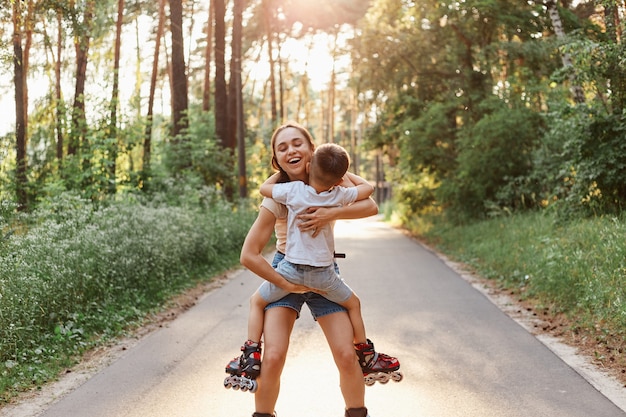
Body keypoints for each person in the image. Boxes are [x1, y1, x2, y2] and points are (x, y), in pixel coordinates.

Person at [235, 121, 380, 417]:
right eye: (282, 147)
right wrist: (286, 285)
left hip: (324, 273)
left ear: (312, 150)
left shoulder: (333, 185)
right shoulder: (279, 196)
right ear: (277, 159)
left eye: (298, 143)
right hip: (285, 271)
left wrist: (331, 212)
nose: (291, 150)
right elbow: (249, 255)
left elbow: (371, 205)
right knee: (273, 357)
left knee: (345, 353)